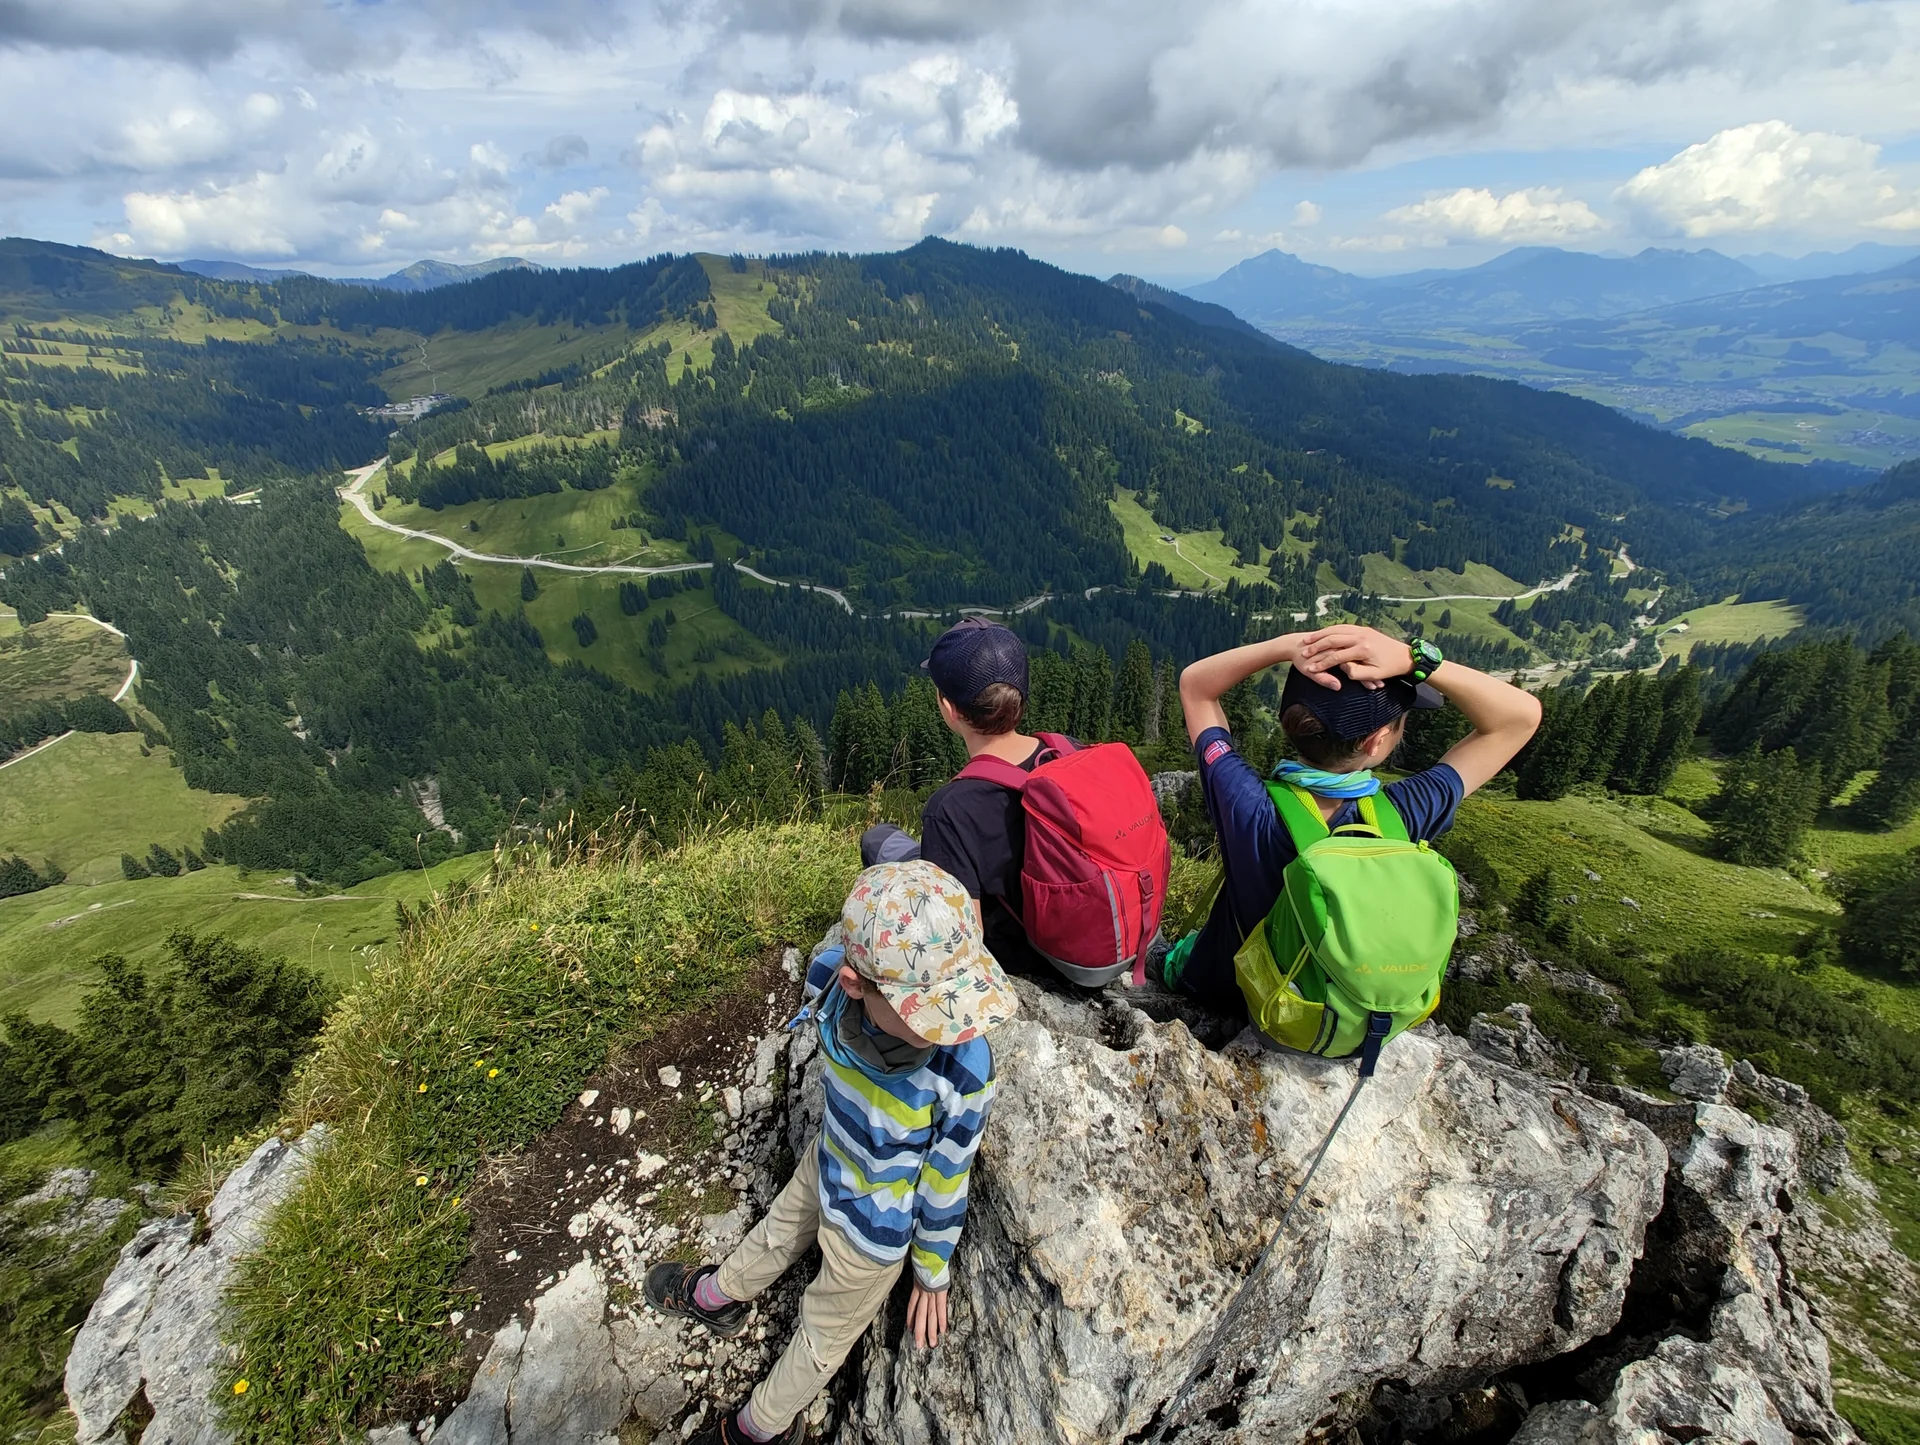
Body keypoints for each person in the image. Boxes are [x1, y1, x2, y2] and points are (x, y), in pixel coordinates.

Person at [644, 859, 1015, 1445]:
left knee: (820, 1333)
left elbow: (947, 1181)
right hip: (830, 1161)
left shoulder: (963, 1067)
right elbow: (945, 1183)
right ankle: (720, 1296)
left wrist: (929, 1274)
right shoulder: (832, 985)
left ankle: (755, 1428)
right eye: (934, 1007)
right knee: (776, 1232)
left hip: (873, 1237)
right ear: (856, 985)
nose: (956, 1025)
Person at [1161, 624, 1542, 1014]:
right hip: (1340, 1013)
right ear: (1375, 741)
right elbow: (1519, 718)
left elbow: (1196, 686)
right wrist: (1416, 659)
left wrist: (1290, 646)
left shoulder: (1247, 805)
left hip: (1228, 996)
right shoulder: (1406, 811)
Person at [861, 618, 1069, 980]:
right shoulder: (1066, 753)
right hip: (1086, 937)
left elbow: (962, 936)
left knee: (879, 840)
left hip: (1022, 959)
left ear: (949, 708)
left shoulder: (950, 809)